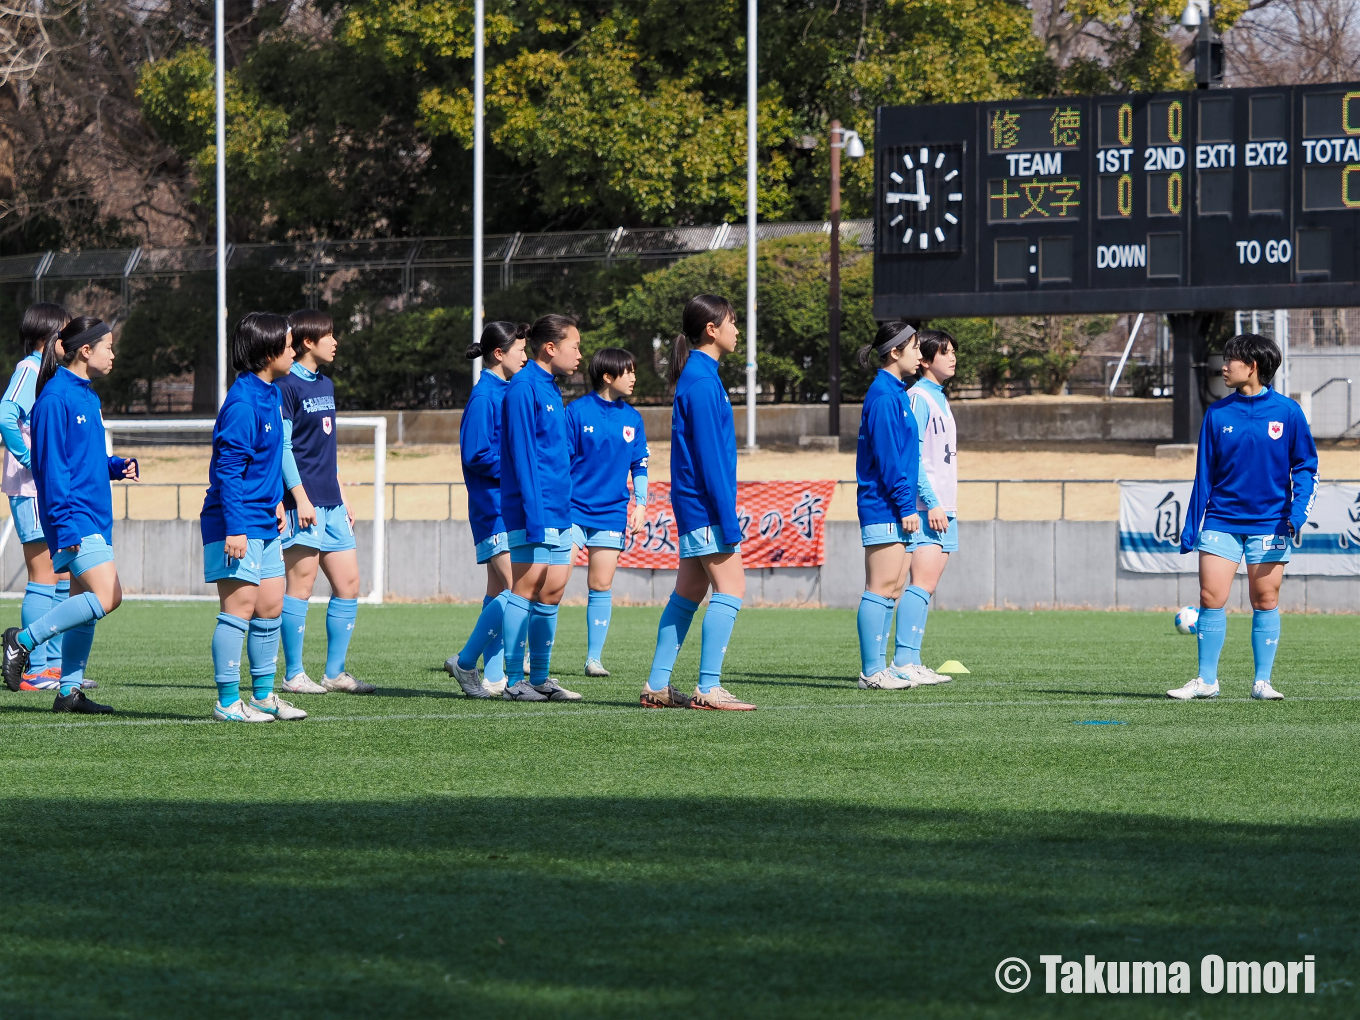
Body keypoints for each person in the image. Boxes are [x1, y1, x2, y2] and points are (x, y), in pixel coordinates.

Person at [1169, 333, 1317, 702]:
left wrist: (1296, 515)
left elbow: (1306, 467)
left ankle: (1262, 682)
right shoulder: (1217, 413)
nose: (1223, 366)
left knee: (1264, 599)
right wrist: (1192, 528)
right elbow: (1204, 473)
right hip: (1221, 519)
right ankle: (1206, 681)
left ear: (1252, 367)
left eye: (1230, 360)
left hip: (1271, 522)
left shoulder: (1288, 412)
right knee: (1210, 596)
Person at [1, 317, 138, 713]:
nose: (113, 354)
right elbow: (51, 469)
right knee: (108, 596)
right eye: (108, 347)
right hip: (74, 516)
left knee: (85, 605)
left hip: (94, 513)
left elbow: (83, 458)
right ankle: (22, 641)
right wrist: (63, 521)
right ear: (85, 350)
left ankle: (68, 692)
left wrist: (114, 465)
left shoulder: (87, 395)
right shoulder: (54, 397)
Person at [641, 294, 754, 711]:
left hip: (693, 505)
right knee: (733, 587)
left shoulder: (698, 375)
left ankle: (657, 685)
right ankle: (708, 688)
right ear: (712, 329)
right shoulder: (704, 381)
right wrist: (728, 519)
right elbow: (710, 461)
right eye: (732, 321)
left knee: (688, 592)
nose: (737, 329)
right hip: (704, 507)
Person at [200, 312, 308, 723]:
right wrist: (236, 527)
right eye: (288, 342)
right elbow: (228, 470)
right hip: (235, 522)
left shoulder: (272, 393)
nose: (294, 349)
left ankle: (263, 695)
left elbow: (266, 461)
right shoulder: (243, 402)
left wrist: (278, 500)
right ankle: (228, 702)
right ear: (268, 352)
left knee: (270, 605)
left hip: (263, 517)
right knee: (240, 608)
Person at [277, 309, 375, 696]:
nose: (335, 342)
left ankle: (335, 673)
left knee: (349, 584)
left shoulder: (326, 385)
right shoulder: (287, 386)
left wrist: (343, 497)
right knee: (300, 586)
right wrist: (299, 498)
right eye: (329, 335)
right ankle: (294, 674)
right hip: (304, 503)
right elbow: (284, 449)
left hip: (331, 503)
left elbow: (326, 452)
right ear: (307, 342)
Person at [497, 313, 584, 702]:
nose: (580, 353)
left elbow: (557, 454)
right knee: (526, 588)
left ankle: (541, 678)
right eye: (575, 345)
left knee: (553, 592)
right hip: (535, 512)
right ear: (551, 348)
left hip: (560, 511)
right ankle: (514, 680)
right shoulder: (522, 388)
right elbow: (522, 457)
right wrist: (535, 517)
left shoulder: (551, 389)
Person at [445, 321, 529, 698]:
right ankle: (465, 662)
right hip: (492, 508)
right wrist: (521, 469)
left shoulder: (505, 391)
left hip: (506, 506)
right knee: (518, 588)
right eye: (520, 350)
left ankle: (494, 678)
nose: (525, 357)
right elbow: (476, 455)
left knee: (500, 592)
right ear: (500, 353)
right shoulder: (485, 397)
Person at [0, 303, 77, 691]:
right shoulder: (29, 369)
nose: (69, 341)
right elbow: (6, 413)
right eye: (64, 333)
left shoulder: (48, 373)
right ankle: (32, 667)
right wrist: (31, 459)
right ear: (48, 336)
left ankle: (53, 665)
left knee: (62, 574)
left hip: (47, 488)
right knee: (43, 574)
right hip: (31, 489)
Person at [566, 347, 649, 677]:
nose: (633, 377)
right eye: (628, 371)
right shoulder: (576, 412)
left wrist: (640, 504)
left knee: (600, 585)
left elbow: (639, 465)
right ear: (607, 376)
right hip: (571, 511)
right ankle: (530, 653)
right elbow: (560, 462)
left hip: (611, 513)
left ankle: (593, 659)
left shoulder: (633, 419)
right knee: (551, 582)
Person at [853, 321, 924, 690]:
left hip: (895, 505)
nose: (919, 355)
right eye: (913, 348)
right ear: (894, 352)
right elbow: (888, 459)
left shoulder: (896, 392)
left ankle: (880, 667)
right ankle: (871, 671)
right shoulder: (883, 395)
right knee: (880, 586)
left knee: (894, 588)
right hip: (883, 505)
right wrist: (905, 505)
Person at [890, 328, 958, 686]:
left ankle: (911, 659)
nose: (953, 358)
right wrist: (930, 502)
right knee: (920, 583)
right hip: (926, 507)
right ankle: (904, 660)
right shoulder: (917, 397)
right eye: (944, 352)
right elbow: (910, 455)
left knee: (926, 586)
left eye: (953, 352)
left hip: (945, 506)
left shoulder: (940, 398)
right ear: (926, 360)